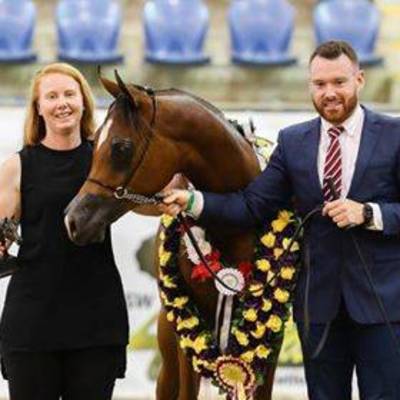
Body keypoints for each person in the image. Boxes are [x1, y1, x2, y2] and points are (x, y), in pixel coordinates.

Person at [160, 40, 400, 399]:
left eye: (339, 82)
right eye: (320, 84)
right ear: (310, 85)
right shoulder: (293, 142)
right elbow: (251, 206)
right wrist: (193, 201)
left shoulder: (394, 134)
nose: (329, 93)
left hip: (384, 306)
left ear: (360, 80)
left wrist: (368, 213)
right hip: (318, 309)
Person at [0, 63, 129, 400]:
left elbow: (150, 204)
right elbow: (2, 235)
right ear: (38, 107)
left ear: (84, 102)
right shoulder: (16, 166)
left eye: (70, 94)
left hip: (97, 320)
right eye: (52, 96)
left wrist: (178, 191)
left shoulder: (105, 161)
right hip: (32, 323)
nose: (62, 103)